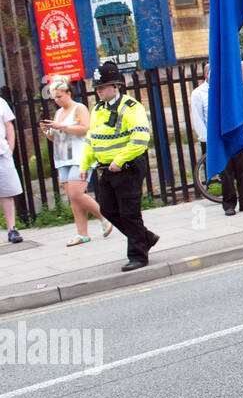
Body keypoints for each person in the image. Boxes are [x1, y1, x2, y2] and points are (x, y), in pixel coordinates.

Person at [79, 61, 158, 271]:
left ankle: (138, 255)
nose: (98, 91)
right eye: (96, 87)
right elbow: (91, 139)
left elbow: (140, 138)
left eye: (102, 87)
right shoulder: (97, 109)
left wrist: (120, 160)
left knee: (129, 212)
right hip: (107, 168)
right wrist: (84, 164)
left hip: (129, 166)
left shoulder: (131, 107)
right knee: (107, 209)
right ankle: (145, 237)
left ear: (115, 86)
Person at [41, 75, 110, 244]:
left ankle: (105, 218)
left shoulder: (79, 108)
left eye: (59, 96)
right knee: (74, 197)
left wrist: (63, 126)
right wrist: (48, 131)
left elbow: (85, 129)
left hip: (80, 155)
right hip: (63, 157)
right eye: (54, 97)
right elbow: (55, 138)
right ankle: (82, 233)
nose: (57, 100)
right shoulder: (58, 113)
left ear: (68, 93)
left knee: (76, 192)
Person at [192, 64, 243, 216]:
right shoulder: (199, 93)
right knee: (225, 171)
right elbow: (198, 117)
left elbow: (239, 109)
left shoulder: (229, 89)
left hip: (236, 132)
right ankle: (229, 204)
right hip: (218, 137)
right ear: (207, 74)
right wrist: (206, 138)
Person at [1, 95, 22, 243]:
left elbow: (9, 125)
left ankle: (12, 228)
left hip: (2, 152)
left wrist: (10, 148)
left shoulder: (0, 102)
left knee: (7, 192)